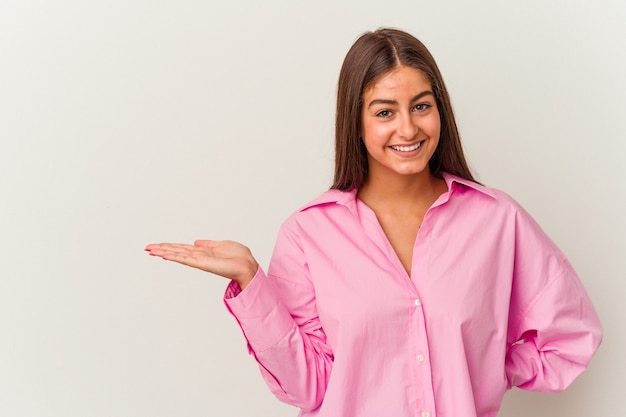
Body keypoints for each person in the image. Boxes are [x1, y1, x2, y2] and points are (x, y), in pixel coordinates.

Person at [145, 28, 602, 417]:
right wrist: (250, 280)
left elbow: (572, 336)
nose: (408, 129)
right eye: (385, 112)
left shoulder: (498, 220)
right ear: (357, 123)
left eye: (421, 106)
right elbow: (307, 386)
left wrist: (490, 364)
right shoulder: (308, 235)